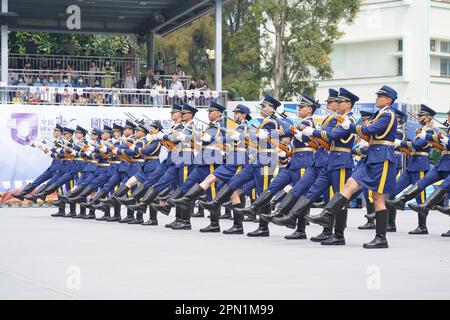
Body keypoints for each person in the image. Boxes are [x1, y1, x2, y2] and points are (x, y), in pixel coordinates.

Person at [304, 85, 399, 249]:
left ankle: (381, 238)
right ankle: (326, 214)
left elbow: (370, 130)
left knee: (377, 198)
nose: (377, 98)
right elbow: (368, 133)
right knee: (349, 184)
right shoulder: (379, 114)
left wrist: (351, 126)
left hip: (383, 157)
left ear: (388, 100)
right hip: (371, 156)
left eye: (380, 96)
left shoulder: (388, 115)